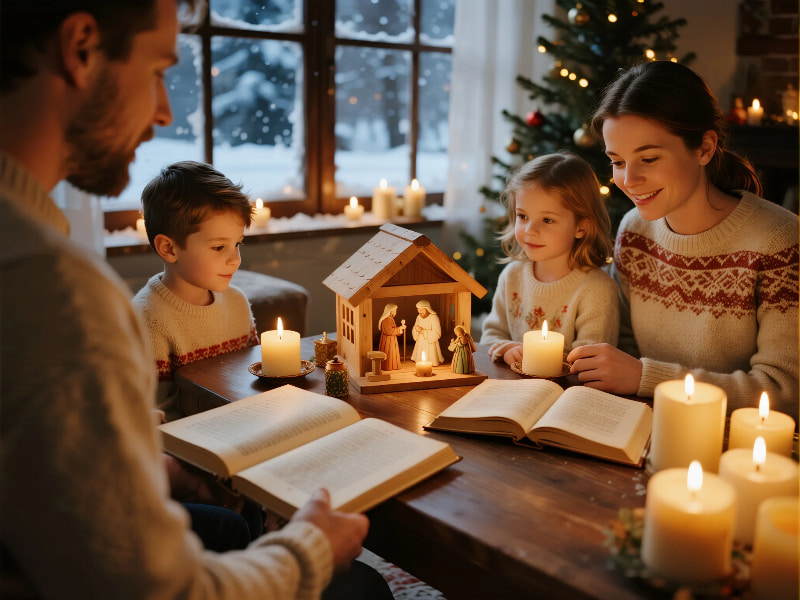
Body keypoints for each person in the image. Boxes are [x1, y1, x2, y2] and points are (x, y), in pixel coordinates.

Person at [0, 1, 391, 598]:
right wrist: (309, 548)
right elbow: (153, 586)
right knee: (362, 588)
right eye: (159, 69)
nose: (163, 110)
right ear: (80, 47)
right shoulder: (51, 288)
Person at [568, 61, 799, 419]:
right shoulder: (634, 232)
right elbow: (622, 349)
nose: (629, 179)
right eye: (617, 161)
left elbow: (784, 393)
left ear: (704, 148)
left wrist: (648, 378)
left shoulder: (780, 242)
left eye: (648, 158)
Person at [133, 160, 259, 422]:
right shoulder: (147, 319)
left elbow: (251, 378)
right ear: (169, 248)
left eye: (237, 244)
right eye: (218, 247)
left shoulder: (236, 301)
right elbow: (159, 414)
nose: (235, 259)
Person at [481, 152, 620, 367]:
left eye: (547, 220)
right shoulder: (512, 275)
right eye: (523, 216)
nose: (530, 230)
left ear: (581, 226)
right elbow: (491, 336)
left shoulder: (597, 290)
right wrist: (507, 349)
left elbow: (590, 363)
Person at [411, 299, 444, 366]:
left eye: (422, 310)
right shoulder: (418, 317)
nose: (419, 312)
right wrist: (416, 329)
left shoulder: (434, 317)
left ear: (427, 309)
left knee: (431, 355)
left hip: (430, 343)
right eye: (418, 309)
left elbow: (437, 332)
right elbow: (415, 327)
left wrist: (424, 331)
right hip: (420, 341)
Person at [376, 303, 406, 370]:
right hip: (388, 340)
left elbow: (392, 329)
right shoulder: (387, 320)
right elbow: (389, 331)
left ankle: (392, 365)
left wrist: (399, 329)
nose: (396, 311)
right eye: (395, 310)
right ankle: (388, 366)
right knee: (389, 352)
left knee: (392, 353)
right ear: (391, 310)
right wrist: (399, 328)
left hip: (391, 339)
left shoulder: (390, 319)